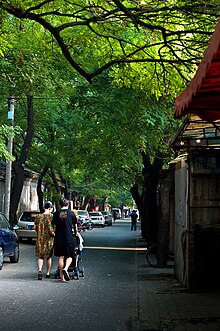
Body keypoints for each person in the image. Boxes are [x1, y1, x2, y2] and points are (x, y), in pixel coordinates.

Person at [52, 198, 78, 282]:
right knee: (70, 255)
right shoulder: (71, 213)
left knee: (61, 257)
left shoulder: (56, 214)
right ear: (68, 205)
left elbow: (54, 227)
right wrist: (75, 233)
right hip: (68, 237)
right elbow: (75, 226)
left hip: (59, 238)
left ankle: (62, 277)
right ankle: (66, 268)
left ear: (59, 205)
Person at [34, 201, 55, 280]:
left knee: (40, 256)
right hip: (49, 239)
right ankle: (47, 273)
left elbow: (35, 227)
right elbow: (55, 227)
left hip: (40, 238)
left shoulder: (38, 216)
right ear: (50, 208)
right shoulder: (52, 216)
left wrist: (39, 232)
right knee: (48, 257)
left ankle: (39, 271)